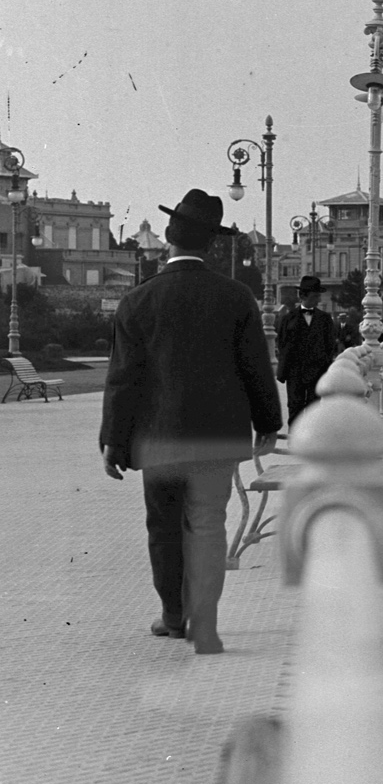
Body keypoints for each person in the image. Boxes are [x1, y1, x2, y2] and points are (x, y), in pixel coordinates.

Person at [101, 189, 283, 655]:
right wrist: (268, 420)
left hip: (158, 438)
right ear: (213, 245)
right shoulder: (236, 297)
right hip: (217, 438)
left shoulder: (137, 302)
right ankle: (204, 624)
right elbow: (256, 368)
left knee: (163, 527)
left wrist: (114, 442)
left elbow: (124, 379)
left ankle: (171, 615)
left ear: (167, 237)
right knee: (206, 525)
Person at [275, 274, 344, 426]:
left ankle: (312, 439)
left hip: (317, 370)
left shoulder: (325, 319)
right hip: (295, 372)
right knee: (294, 406)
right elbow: (281, 343)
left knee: (315, 407)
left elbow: (330, 344)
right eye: (315, 296)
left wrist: (323, 363)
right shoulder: (288, 319)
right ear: (303, 296)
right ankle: (295, 439)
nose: (318, 300)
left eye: (318, 296)